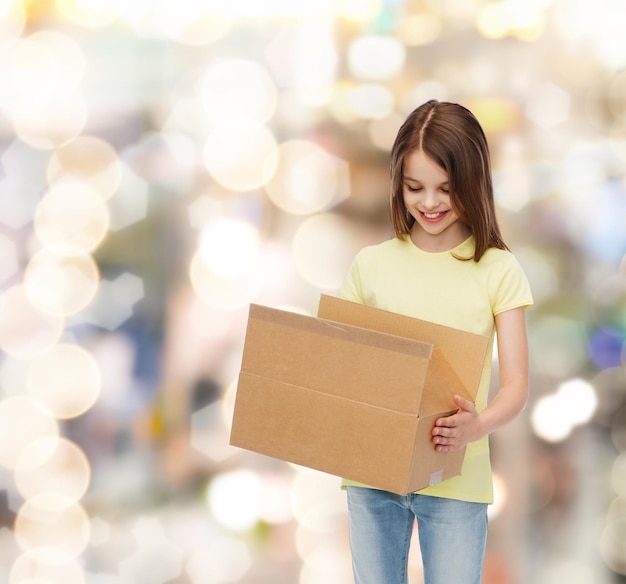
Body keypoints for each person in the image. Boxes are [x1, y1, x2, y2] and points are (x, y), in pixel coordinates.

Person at [339, 99, 533, 584]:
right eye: (414, 188)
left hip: (456, 476)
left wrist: (476, 426)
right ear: (397, 186)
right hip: (372, 471)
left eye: (447, 189)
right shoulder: (371, 265)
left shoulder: (497, 269)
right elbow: (341, 363)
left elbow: (516, 387)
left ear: (474, 183)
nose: (430, 203)